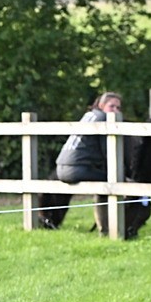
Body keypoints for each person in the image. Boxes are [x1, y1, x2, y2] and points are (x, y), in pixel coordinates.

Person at [40, 91, 122, 233]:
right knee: (114, 180)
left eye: (118, 108)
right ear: (101, 105)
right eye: (112, 106)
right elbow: (107, 152)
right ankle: (107, 228)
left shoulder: (88, 116)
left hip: (61, 168)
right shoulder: (103, 119)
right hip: (77, 169)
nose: (115, 111)